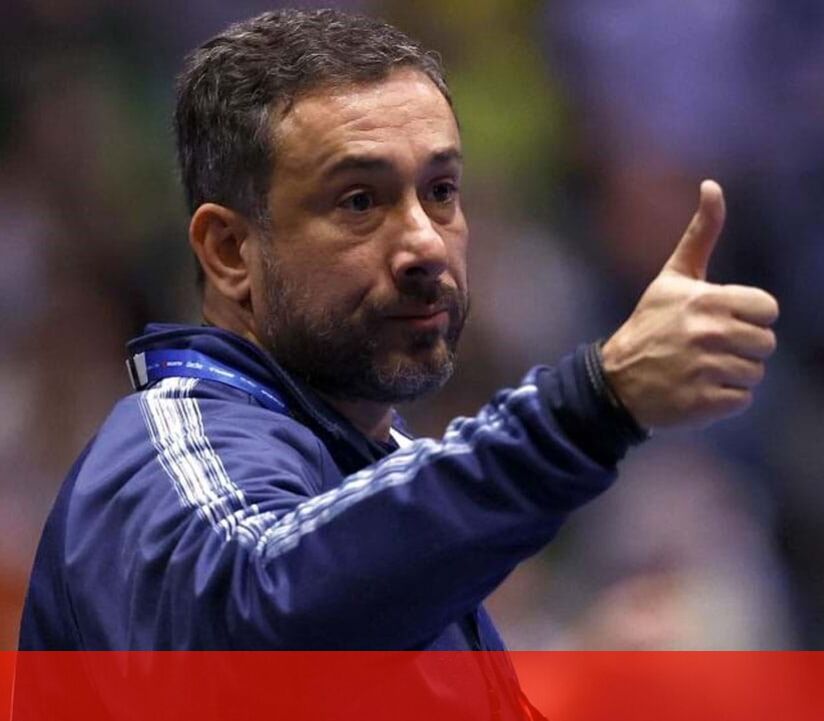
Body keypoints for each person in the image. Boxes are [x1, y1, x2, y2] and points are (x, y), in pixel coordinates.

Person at [17, 6, 777, 715]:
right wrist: (591, 404)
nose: (424, 243)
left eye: (440, 191)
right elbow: (269, 627)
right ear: (229, 250)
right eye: (359, 201)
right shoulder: (160, 461)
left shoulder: (386, 493)